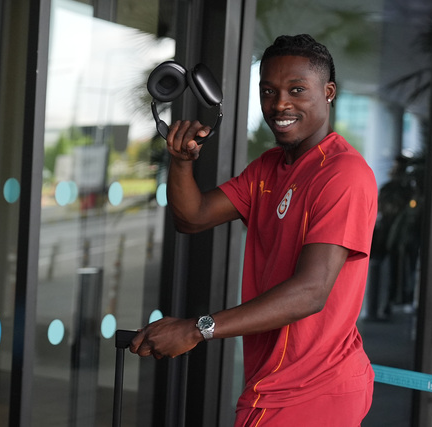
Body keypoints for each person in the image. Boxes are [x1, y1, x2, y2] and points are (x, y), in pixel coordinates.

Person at [130, 34, 378, 426]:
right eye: (268, 91)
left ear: (328, 92)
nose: (279, 104)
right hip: (277, 385)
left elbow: (312, 291)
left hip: (312, 389)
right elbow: (192, 217)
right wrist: (181, 161)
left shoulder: (343, 173)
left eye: (297, 90)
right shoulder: (268, 167)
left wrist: (196, 329)